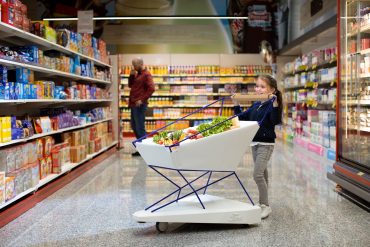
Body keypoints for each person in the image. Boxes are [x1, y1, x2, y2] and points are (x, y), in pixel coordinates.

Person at [232, 75, 282, 219]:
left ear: (272, 90)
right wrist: (236, 103)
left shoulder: (272, 105)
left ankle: (265, 205)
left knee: (257, 174)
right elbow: (242, 117)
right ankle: (262, 203)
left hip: (266, 144)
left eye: (262, 86)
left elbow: (274, 120)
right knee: (263, 173)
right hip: (255, 142)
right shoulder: (256, 105)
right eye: (257, 86)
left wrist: (275, 103)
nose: (258, 89)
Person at [129, 57, 155, 156]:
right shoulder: (136, 74)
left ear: (140, 64)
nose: (134, 67)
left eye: (135, 65)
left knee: (139, 127)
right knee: (134, 126)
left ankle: (145, 149)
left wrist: (142, 99)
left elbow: (152, 88)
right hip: (133, 104)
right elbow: (130, 85)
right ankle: (142, 147)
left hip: (140, 105)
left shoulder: (147, 74)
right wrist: (131, 76)